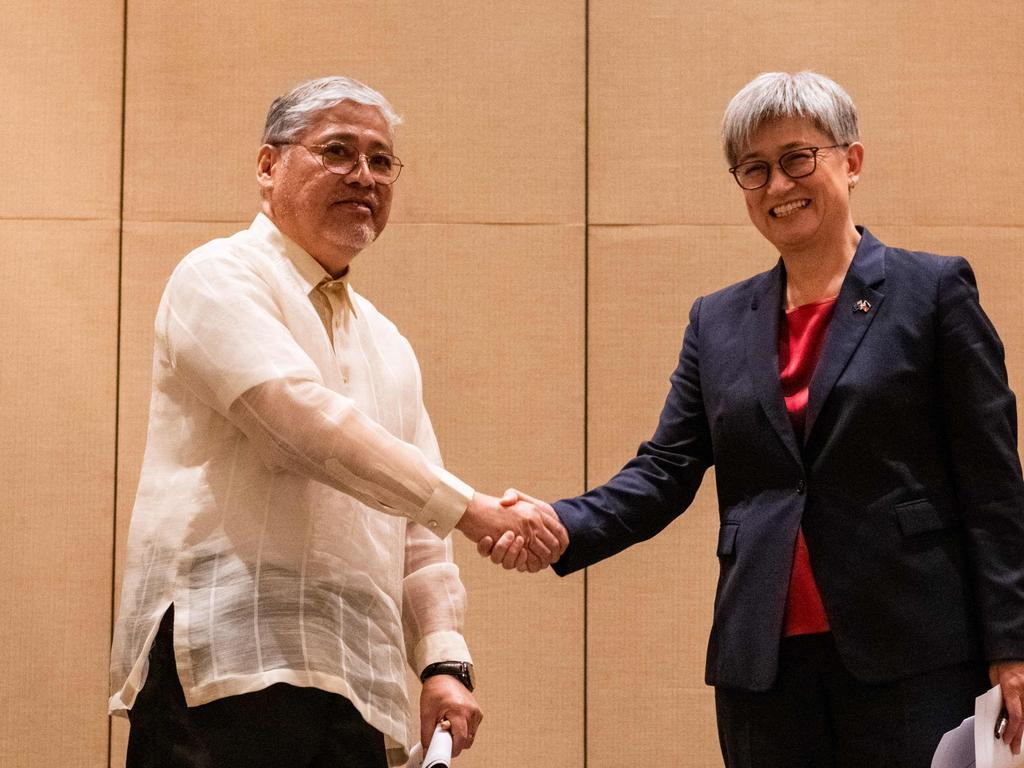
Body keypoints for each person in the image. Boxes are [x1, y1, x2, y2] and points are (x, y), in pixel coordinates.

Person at [481, 71, 1024, 767]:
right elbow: (667, 468)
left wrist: (1012, 645)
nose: (777, 185)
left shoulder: (934, 291)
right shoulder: (718, 321)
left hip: (914, 652)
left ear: (850, 161)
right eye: (754, 169)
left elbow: (993, 484)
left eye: (798, 158)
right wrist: (564, 527)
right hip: (763, 666)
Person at [108, 76, 568, 768]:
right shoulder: (217, 276)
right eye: (338, 151)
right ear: (269, 166)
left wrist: (445, 662)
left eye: (381, 161)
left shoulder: (387, 341)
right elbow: (297, 424)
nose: (364, 176)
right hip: (228, 663)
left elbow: (420, 535)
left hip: (358, 682)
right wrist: (471, 509)